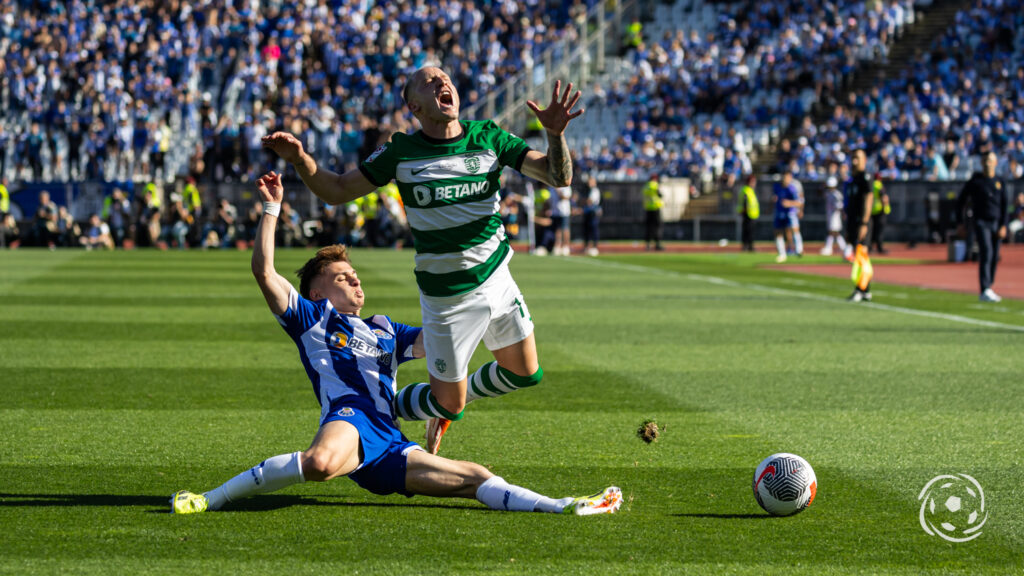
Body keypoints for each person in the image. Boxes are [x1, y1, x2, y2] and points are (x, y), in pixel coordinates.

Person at [170, 172, 621, 517]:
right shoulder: (312, 319)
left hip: (388, 440)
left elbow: (443, 340)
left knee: (473, 478)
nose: (354, 278)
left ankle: (563, 505)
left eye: (354, 273)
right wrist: (271, 210)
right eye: (341, 276)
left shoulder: (386, 328)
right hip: (350, 415)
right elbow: (265, 274)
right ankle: (207, 499)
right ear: (318, 293)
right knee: (322, 463)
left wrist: (479, 299)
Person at [263, 68, 583, 454]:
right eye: (429, 82)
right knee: (451, 402)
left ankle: (430, 405)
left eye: (445, 78)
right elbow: (337, 189)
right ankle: (389, 406)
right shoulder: (401, 151)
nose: (442, 83)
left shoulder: (490, 137)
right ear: (414, 105)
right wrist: (300, 159)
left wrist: (555, 133)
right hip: (448, 298)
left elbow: (557, 175)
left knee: (525, 373)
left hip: (498, 278)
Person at [957, 151, 1010, 302]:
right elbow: (960, 201)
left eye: (991, 160)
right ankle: (984, 288)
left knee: (994, 255)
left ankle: (989, 286)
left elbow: (1005, 206)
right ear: (981, 162)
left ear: (995, 163)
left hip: (996, 222)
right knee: (986, 252)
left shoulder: (1000, 181)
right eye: (985, 160)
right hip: (981, 222)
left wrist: (1003, 225)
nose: (988, 163)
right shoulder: (975, 181)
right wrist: (960, 223)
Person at [845, 149, 875, 302]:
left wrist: (864, 222)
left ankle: (860, 289)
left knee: (861, 256)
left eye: (857, 158)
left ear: (864, 160)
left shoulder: (865, 177)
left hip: (861, 223)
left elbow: (868, 200)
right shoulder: (853, 179)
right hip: (853, 222)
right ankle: (865, 290)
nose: (854, 161)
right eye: (853, 158)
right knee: (859, 257)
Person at [771, 172, 802, 263]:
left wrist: (789, 203)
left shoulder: (792, 189)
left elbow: (799, 202)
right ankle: (782, 253)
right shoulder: (777, 187)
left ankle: (799, 249)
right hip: (779, 212)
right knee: (778, 232)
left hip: (790, 213)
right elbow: (775, 198)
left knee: (794, 230)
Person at [819, 164, 847, 257]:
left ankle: (829, 247)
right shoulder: (829, 193)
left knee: (833, 231)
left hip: (835, 214)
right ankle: (842, 247)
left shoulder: (836, 194)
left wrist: (840, 212)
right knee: (834, 232)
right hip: (830, 214)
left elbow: (840, 205)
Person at [737, 174, 759, 252]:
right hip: (747, 214)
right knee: (747, 231)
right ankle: (747, 246)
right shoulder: (746, 190)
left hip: (752, 214)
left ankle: (749, 246)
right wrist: (745, 210)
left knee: (750, 231)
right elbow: (745, 202)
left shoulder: (750, 190)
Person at [869, 175, 890, 254]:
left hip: (871, 210)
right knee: (879, 231)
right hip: (879, 210)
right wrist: (886, 208)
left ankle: (870, 247)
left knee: (872, 230)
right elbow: (883, 197)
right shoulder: (878, 185)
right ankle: (879, 248)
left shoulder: (871, 184)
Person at [582, 175, 602, 256]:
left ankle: (595, 247)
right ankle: (587, 246)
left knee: (593, 230)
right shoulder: (588, 190)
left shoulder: (595, 190)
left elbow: (589, 201)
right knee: (587, 230)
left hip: (592, 213)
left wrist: (583, 201)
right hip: (587, 212)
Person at [642, 174, 663, 250]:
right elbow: (660, 194)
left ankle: (647, 245)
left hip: (648, 208)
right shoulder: (655, 185)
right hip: (655, 207)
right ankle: (657, 244)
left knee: (648, 227)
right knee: (657, 227)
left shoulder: (646, 186)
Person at [550, 185, 573, 256]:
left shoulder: (566, 187)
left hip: (564, 211)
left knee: (565, 229)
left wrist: (558, 191)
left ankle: (566, 246)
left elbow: (566, 197)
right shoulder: (551, 186)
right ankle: (558, 246)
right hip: (555, 212)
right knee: (558, 230)